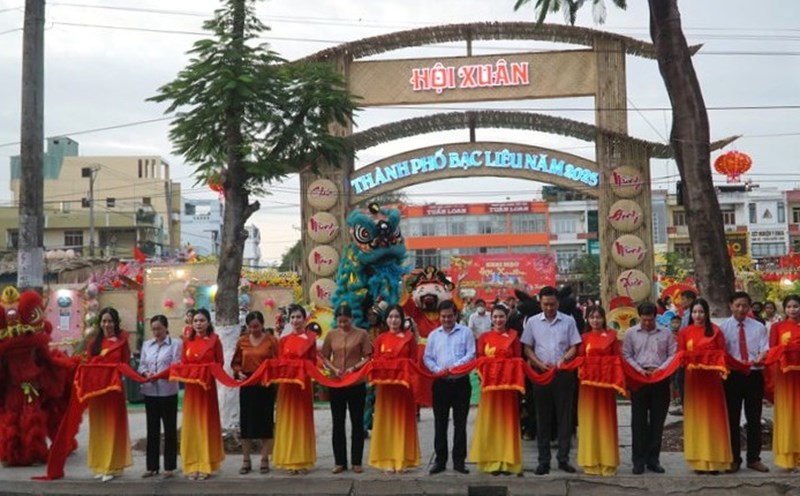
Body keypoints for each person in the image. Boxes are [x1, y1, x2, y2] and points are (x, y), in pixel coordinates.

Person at [521, 285, 581, 475]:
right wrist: (537, 362)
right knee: (542, 417)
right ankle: (543, 461)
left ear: (558, 302)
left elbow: (575, 346)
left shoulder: (568, 321)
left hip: (563, 374)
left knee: (565, 417)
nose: (549, 308)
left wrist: (564, 359)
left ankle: (563, 459)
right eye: (546, 304)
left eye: (553, 304)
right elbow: (527, 348)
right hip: (541, 374)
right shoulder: (532, 322)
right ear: (540, 303)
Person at [678, 298, 732, 473]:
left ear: (707, 313)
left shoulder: (716, 331)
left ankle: (715, 460)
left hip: (712, 382)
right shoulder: (685, 332)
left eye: (701, 312)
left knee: (713, 418)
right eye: (694, 312)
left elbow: (723, 353)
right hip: (693, 381)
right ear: (690, 314)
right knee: (696, 418)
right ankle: (697, 460)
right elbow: (680, 355)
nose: (698, 315)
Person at [622, 302, 676, 475]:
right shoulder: (631, 334)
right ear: (639, 318)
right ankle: (638, 461)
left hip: (660, 379)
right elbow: (626, 355)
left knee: (657, 422)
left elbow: (673, 354)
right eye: (644, 320)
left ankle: (653, 460)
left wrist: (660, 370)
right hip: (639, 379)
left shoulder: (666, 333)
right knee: (638, 422)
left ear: (656, 317)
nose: (647, 323)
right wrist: (639, 370)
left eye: (650, 320)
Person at [469, 304, 523, 476]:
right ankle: (491, 461)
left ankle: (507, 462)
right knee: (490, 423)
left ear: (506, 318)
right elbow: (479, 359)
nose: (498, 320)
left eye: (501, 316)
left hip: (507, 389)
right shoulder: (484, 337)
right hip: (490, 388)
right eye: (495, 317)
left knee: (507, 423)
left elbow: (517, 360)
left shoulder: (514, 336)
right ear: (491, 319)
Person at [424, 299, 476, 475]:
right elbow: (427, 357)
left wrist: (454, 368)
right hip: (440, 383)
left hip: (461, 383)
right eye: (443, 316)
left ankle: (459, 461)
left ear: (456, 315)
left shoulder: (466, 332)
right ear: (439, 316)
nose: (446, 319)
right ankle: (440, 460)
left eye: (450, 316)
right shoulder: (433, 335)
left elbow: (471, 354)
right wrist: (439, 370)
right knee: (440, 424)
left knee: (460, 424)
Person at [720, 291, 769, 473]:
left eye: (745, 305)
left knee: (754, 418)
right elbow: (721, 353)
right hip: (732, 377)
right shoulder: (723, 328)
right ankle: (734, 459)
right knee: (732, 418)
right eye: (737, 305)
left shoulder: (759, 327)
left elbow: (765, 349)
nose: (741, 309)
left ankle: (754, 458)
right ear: (731, 305)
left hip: (754, 375)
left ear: (749, 307)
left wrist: (759, 358)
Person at [320, 304, 373, 474]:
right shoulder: (331, 335)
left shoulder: (361, 334)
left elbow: (368, 356)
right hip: (337, 383)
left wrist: (355, 367)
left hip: (356, 383)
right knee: (338, 423)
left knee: (357, 423)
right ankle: (339, 462)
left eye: (346, 321)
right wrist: (333, 369)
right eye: (340, 321)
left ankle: (357, 461)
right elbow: (324, 357)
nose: (343, 324)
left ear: (352, 318)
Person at [368, 304, 420, 473]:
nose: (393, 320)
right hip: (385, 390)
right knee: (386, 422)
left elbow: (414, 362)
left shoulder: (409, 338)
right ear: (386, 319)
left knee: (402, 422)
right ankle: (387, 459)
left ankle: (402, 458)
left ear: (402, 319)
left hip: (403, 389)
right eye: (390, 317)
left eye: (397, 317)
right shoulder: (380, 339)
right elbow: (375, 363)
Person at [86, 307, 133, 482]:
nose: (107, 324)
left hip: (114, 391)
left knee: (113, 428)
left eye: (110, 321)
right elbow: (88, 366)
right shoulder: (93, 343)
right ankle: (99, 465)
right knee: (98, 428)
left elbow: (126, 365)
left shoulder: (122, 342)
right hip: (97, 392)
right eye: (104, 321)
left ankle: (112, 466)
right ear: (100, 323)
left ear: (116, 323)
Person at [231, 311, 279, 475]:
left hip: (265, 385)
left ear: (263, 324)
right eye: (250, 327)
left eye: (256, 326)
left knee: (266, 421)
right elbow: (235, 363)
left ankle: (265, 459)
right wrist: (238, 372)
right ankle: (246, 460)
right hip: (248, 384)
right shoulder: (242, 341)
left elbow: (278, 362)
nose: (253, 329)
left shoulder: (271, 341)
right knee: (247, 423)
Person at [273, 304, 318, 475]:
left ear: (305, 319)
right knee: (287, 420)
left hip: (302, 385)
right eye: (292, 317)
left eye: (298, 317)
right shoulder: (283, 341)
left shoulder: (310, 338)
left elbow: (313, 362)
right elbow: (279, 362)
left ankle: (302, 459)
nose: (295, 320)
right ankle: (288, 459)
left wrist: (302, 368)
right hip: (287, 386)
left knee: (302, 421)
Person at [180, 308, 224, 480]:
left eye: (202, 320)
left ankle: (206, 465)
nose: (198, 324)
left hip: (207, 389)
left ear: (208, 323)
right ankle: (192, 465)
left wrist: (207, 371)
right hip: (192, 389)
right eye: (196, 321)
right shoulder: (186, 341)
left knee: (206, 424)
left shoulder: (215, 340)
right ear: (192, 323)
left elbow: (220, 362)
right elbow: (184, 362)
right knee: (191, 426)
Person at [577, 305, 621, 476]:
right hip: (588, 387)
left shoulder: (612, 337)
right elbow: (579, 359)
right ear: (587, 319)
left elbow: (617, 359)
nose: (595, 320)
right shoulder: (583, 338)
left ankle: (608, 462)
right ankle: (590, 462)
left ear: (604, 318)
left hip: (606, 388)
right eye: (592, 317)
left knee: (606, 421)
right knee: (589, 422)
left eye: (598, 317)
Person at [138, 315, 182, 479]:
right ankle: (152, 466)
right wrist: (146, 373)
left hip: (167, 391)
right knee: (152, 429)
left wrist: (160, 375)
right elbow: (142, 364)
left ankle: (169, 466)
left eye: (159, 329)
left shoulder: (176, 344)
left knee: (169, 429)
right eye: (154, 329)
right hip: (150, 391)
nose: (156, 332)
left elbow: (176, 365)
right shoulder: (147, 345)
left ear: (166, 328)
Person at [769, 294, 800, 470]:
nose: (792, 310)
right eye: (789, 307)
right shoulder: (777, 327)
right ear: (784, 309)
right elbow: (772, 351)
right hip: (785, 377)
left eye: (796, 306)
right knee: (787, 414)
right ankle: (787, 458)